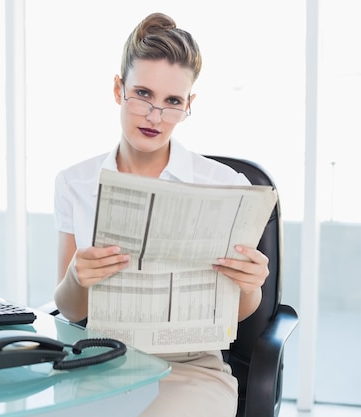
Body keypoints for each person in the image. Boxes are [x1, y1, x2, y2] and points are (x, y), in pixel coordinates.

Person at [52, 12, 270, 417]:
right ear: (119, 90)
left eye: (172, 102)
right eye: (143, 94)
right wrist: (78, 276)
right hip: (101, 360)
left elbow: (237, 314)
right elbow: (69, 309)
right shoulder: (75, 183)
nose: (155, 116)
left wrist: (251, 285)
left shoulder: (223, 185)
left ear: (189, 105)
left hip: (189, 368)